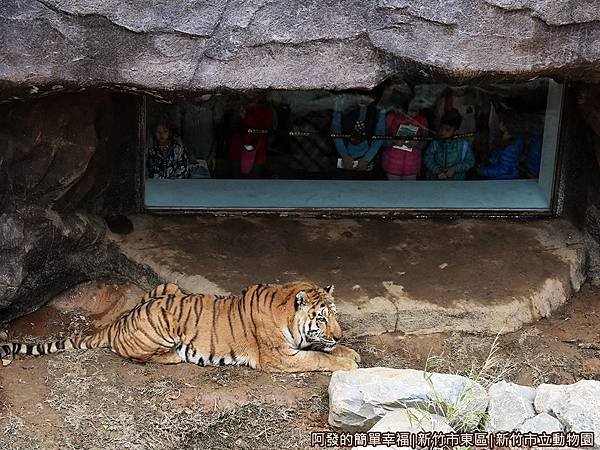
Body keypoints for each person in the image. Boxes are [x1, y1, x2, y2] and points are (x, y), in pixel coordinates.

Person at [331, 95, 385, 178]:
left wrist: (367, 158)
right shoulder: (344, 106)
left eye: (367, 96)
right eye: (360, 95)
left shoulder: (377, 109)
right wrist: (344, 155)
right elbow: (335, 130)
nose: (363, 99)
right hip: (342, 156)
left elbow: (380, 133)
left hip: (366, 158)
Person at [227, 94, 275, 178]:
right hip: (238, 146)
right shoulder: (238, 102)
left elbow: (269, 127)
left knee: (253, 179)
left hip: (258, 147)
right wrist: (240, 116)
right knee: (235, 178)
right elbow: (231, 126)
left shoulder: (265, 106)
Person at [381, 99, 429, 180]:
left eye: (416, 110)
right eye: (411, 110)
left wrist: (417, 142)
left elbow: (426, 141)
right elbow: (381, 139)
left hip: (412, 165)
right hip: (392, 164)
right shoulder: (391, 118)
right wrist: (393, 141)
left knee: (409, 191)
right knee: (392, 190)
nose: (413, 113)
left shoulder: (422, 121)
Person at [424, 108, 474, 180]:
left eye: (447, 129)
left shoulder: (463, 145)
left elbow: (470, 161)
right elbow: (427, 158)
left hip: (456, 183)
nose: (443, 132)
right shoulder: (435, 142)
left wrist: (455, 169)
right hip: (435, 181)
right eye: (441, 128)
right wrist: (437, 171)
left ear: (456, 131)